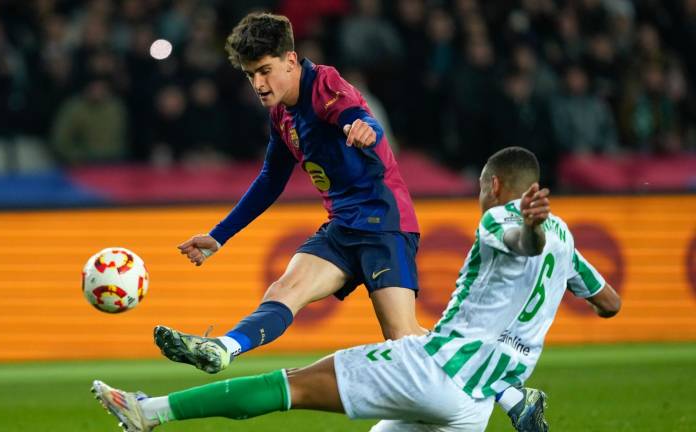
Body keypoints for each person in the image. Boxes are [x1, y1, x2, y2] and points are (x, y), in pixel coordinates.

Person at [92, 147, 622, 432]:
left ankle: (150, 412)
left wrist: (526, 228)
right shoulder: (569, 244)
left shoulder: (498, 219)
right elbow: (609, 303)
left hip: (434, 370)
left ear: (497, 186)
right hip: (475, 406)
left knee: (291, 386)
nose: (480, 197)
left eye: (483, 189)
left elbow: (519, 241)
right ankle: (514, 395)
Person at [153, 12, 425, 376]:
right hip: (343, 227)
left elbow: (356, 114)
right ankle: (222, 348)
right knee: (284, 289)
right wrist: (218, 236)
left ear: (291, 60)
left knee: (403, 339)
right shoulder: (282, 114)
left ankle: (506, 388)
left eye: (265, 70)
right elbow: (270, 181)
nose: (259, 83)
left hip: (384, 222)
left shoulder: (324, 85)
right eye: (251, 75)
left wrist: (366, 129)